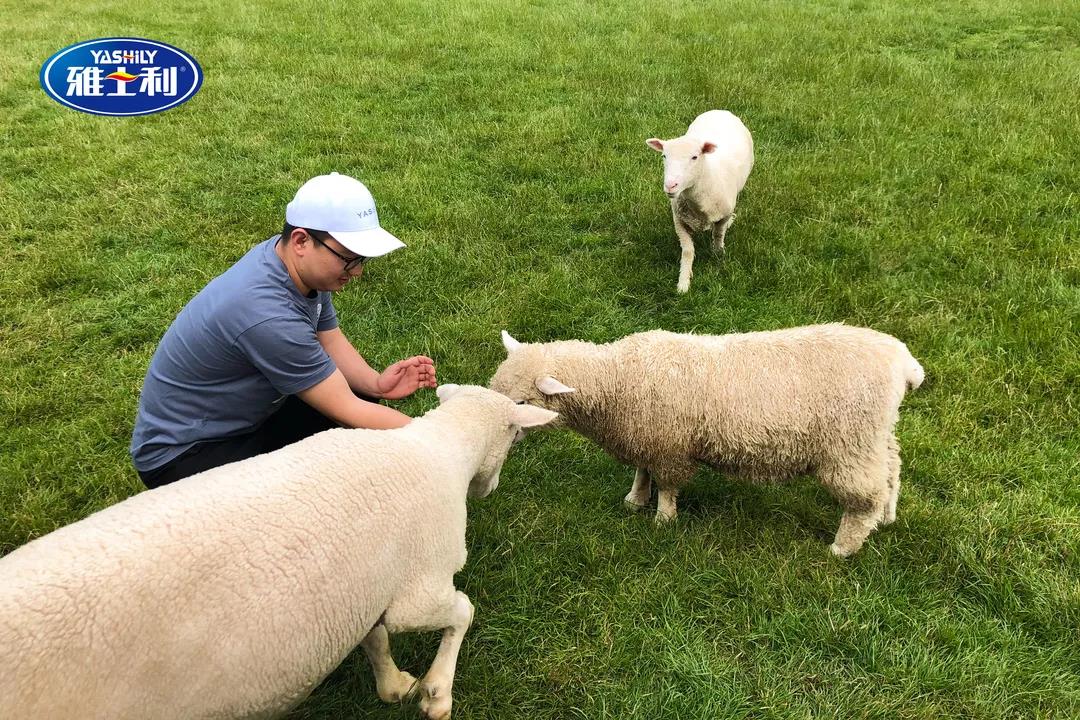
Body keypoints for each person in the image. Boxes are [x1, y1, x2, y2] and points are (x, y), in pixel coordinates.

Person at [130, 172, 437, 488]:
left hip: (242, 422)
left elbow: (329, 339)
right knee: (305, 502)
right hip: (186, 454)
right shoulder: (267, 316)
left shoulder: (290, 262)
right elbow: (347, 410)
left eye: (361, 259)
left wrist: (375, 385)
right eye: (348, 258)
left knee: (360, 399)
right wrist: (437, 440)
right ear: (302, 241)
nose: (357, 271)